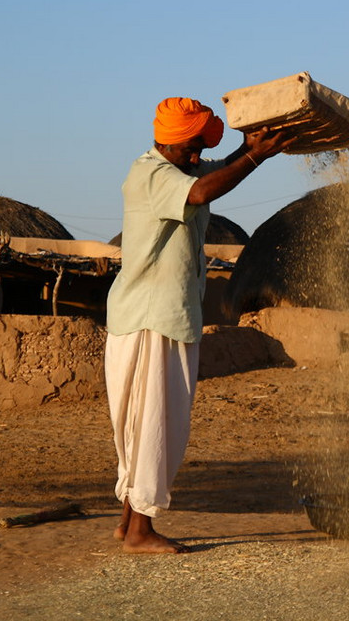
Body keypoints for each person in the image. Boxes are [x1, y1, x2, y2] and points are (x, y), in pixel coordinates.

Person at [105, 97, 293, 553]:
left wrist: (250, 149)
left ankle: (128, 522)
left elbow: (208, 174)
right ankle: (140, 532)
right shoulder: (152, 175)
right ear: (168, 143)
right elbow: (203, 191)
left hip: (159, 316)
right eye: (192, 148)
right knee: (158, 422)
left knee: (141, 423)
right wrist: (254, 156)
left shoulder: (174, 167)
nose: (197, 157)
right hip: (154, 318)